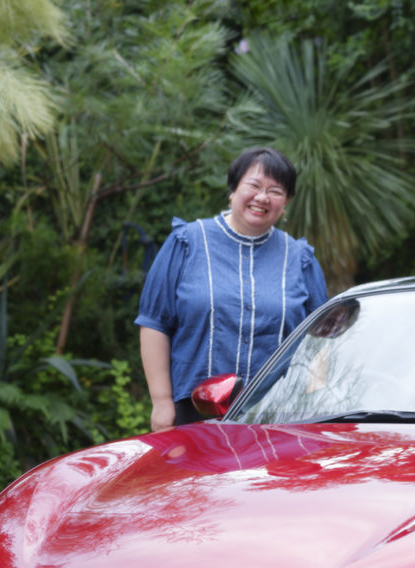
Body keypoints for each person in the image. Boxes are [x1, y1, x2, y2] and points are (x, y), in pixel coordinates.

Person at [136, 147, 328, 431]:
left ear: (286, 203)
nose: (262, 197)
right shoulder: (187, 242)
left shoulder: (300, 259)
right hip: (193, 415)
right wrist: (162, 403)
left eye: (275, 191)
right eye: (254, 185)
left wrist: (314, 405)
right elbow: (154, 324)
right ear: (233, 190)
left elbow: (321, 341)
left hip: (278, 418)